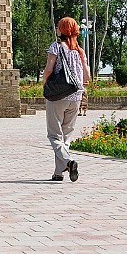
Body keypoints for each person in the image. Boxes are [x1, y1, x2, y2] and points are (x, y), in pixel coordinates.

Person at [41, 16, 90, 182]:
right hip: (76, 96)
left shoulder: (56, 46)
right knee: (66, 136)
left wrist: (44, 83)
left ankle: (69, 162)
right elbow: (87, 76)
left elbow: (49, 69)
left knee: (54, 136)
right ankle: (58, 173)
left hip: (58, 95)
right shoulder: (79, 50)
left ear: (61, 30)